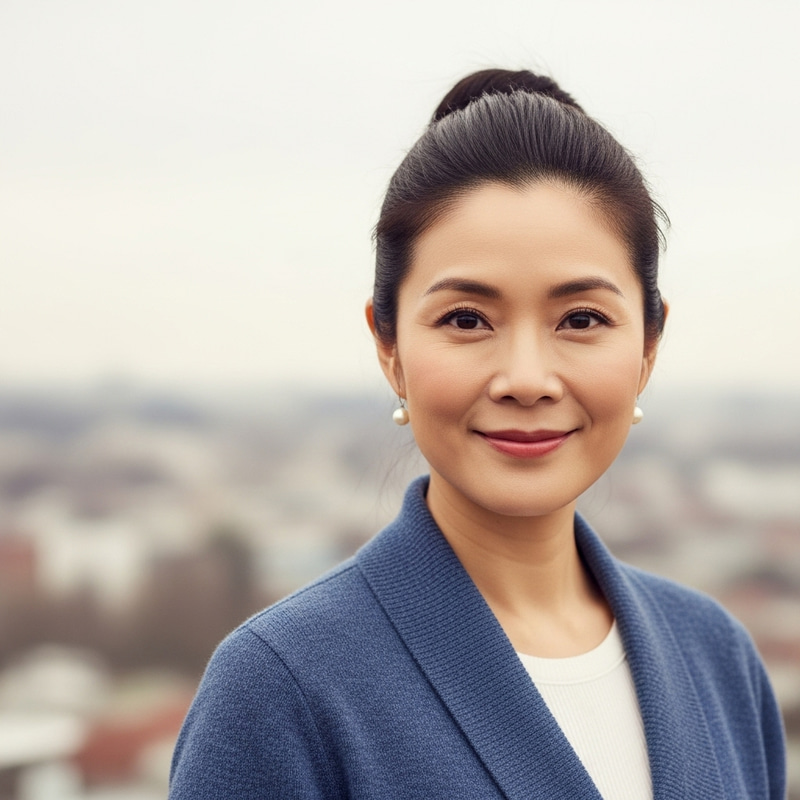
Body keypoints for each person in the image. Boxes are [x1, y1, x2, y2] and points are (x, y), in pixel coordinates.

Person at [169, 69, 786, 799]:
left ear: (649, 344)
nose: (526, 378)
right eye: (467, 319)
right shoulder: (282, 691)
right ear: (389, 344)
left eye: (581, 319)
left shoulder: (718, 661)